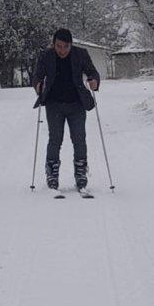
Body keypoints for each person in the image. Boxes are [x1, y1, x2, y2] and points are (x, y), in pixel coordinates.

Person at [33, 28, 100, 191]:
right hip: (54, 104)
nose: (62, 50)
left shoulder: (81, 54)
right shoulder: (46, 56)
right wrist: (38, 85)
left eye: (66, 46)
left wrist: (94, 81)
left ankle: (81, 173)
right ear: (53, 44)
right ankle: (52, 174)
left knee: (79, 139)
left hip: (77, 104)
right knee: (55, 139)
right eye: (59, 46)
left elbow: (92, 72)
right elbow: (37, 76)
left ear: (71, 45)